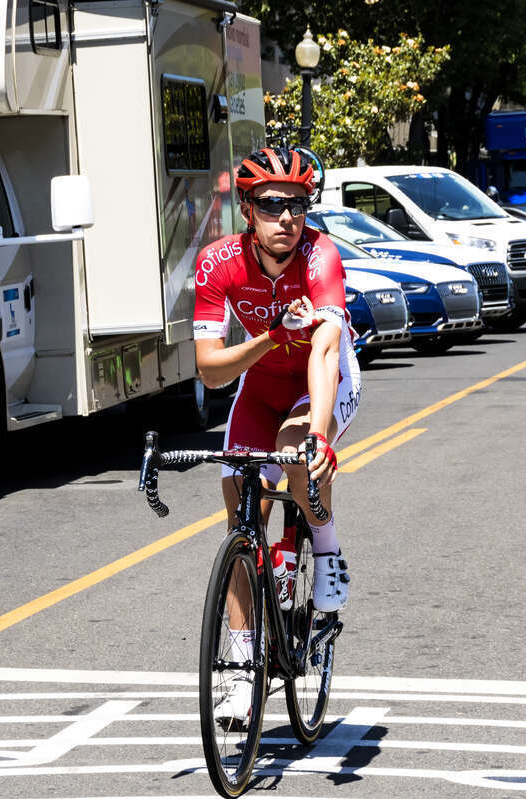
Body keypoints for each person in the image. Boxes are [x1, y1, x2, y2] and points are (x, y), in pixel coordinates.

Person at [193, 146, 361, 721]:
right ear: (247, 209)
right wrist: (270, 336)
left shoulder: (320, 256)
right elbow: (211, 370)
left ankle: (328, 551)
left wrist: (319, 434)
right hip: (261, 386)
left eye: (297, 205)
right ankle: (243, 669)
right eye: (271, 204)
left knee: (294, 452)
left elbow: (326, 349)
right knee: (241, 514)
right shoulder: (218, 263)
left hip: (322, 381)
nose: (287, 217)